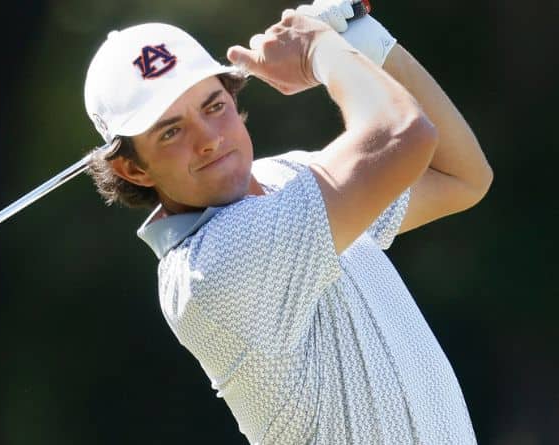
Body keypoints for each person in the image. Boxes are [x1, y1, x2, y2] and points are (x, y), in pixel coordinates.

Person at [82, 1, 493, 443]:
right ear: (133, 169)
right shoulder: (213, 267)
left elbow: (459, 176)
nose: (209, 139)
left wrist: (365, 41)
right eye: (170, 131)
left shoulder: (289, 178)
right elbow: (402, 135)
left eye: (213, 105)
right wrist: (321, 50)